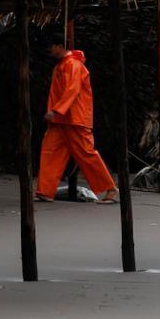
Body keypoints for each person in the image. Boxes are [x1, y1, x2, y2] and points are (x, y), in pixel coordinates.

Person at [35, 39, 119, 203]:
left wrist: (56, 110)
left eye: (50, 46)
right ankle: (45, 190)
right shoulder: (63, 65)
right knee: (50, 151)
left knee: (86, 154)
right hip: (62, 119)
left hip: (74, 118)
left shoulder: (73, 65)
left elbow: (72, 90)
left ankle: (110, 188)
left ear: (59, 46)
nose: (49, 50)